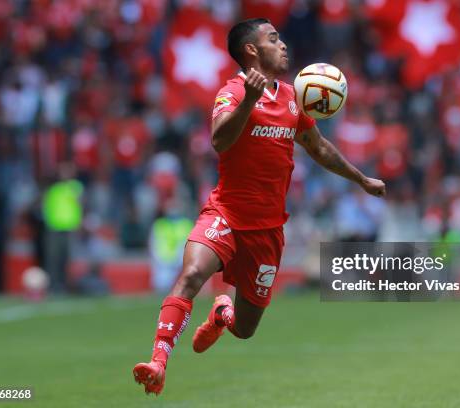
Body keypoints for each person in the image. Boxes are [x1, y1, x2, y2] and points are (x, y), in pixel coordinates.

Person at [132, 18, 386, 395]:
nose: (282, 45)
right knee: (190, 276)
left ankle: (223, 313)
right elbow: (220, 139)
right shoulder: (233, 92)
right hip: (225, 214)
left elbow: (318, 148)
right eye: (273, 38)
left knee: (246, 329)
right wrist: (250, 100)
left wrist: (361, 179)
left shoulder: (291, 99)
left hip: (267, 230)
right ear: (251, 50)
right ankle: (158, 362)